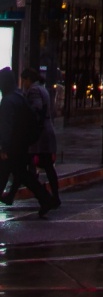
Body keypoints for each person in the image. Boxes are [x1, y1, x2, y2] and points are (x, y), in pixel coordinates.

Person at [0, 65, 52, 215]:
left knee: (16, 173)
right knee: (19, 174)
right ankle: (45, 199)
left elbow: (6, 126)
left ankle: (45, 199)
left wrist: (4, 147)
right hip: (22, 144)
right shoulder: (19, 96)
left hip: (13, 146)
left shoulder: (8, 101)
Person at [20, 65, 59, 208]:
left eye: (23, 81)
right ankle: (54, 196)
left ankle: (45, 195)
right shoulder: (43, 89)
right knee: (47, 166)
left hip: (40, 134)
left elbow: (36, 109)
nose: (23, 84)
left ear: (28, 79)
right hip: (46, 131)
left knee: (26, 164)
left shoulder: (34, 91)